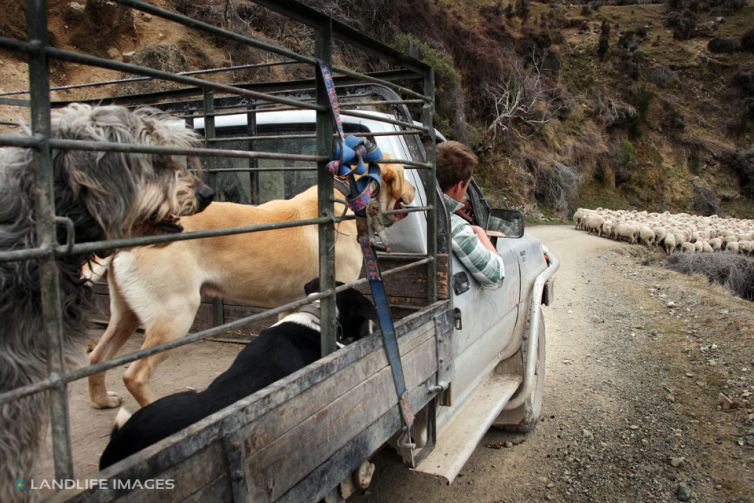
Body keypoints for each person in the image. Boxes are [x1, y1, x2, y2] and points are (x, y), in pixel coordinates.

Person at [436, 140, 504, 289]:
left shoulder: (410, 208)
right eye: (467, 186)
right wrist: (479, 231)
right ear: (459, 186)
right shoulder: (455, 227)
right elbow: (496, 276)